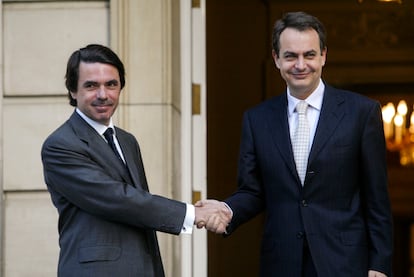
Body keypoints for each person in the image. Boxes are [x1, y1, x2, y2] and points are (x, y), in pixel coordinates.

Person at [198, 11, 393, 277]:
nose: (300, 65)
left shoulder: (361, 113)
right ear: (277, 58)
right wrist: (227, 210)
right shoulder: (257, 119)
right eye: (290, 56)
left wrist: (380, 265)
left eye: (309, 55)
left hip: (345, 264)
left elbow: (377, 198)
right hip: (281, 263)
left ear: (323, 55)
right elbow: (253, 191)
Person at [41, 44, 231, 277]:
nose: (103, 95)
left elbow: (140, 215)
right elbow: (117, 199)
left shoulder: (126, 141)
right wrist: (192, 214)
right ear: (72, 90)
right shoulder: (61, 144)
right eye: (91, 85)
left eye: (111, 84)